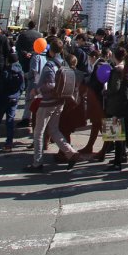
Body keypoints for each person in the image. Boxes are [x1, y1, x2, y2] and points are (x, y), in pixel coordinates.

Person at [25, 38, 81, 172]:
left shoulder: (50, 65)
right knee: (54, 130)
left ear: (51, 50)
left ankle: (37, 162)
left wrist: (37, 90)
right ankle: (71, 152)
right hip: (60, 101)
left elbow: (50, 84)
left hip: (47, 102)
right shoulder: (64, 63)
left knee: (39, 132)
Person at [0, 51, 25, 151]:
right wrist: (17, 95)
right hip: (14, 98)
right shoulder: (20, 71)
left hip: (3, 98)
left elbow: (0, 86)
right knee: (10, 121)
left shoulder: (6, 71)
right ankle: (9, 143)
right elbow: (22, 86)